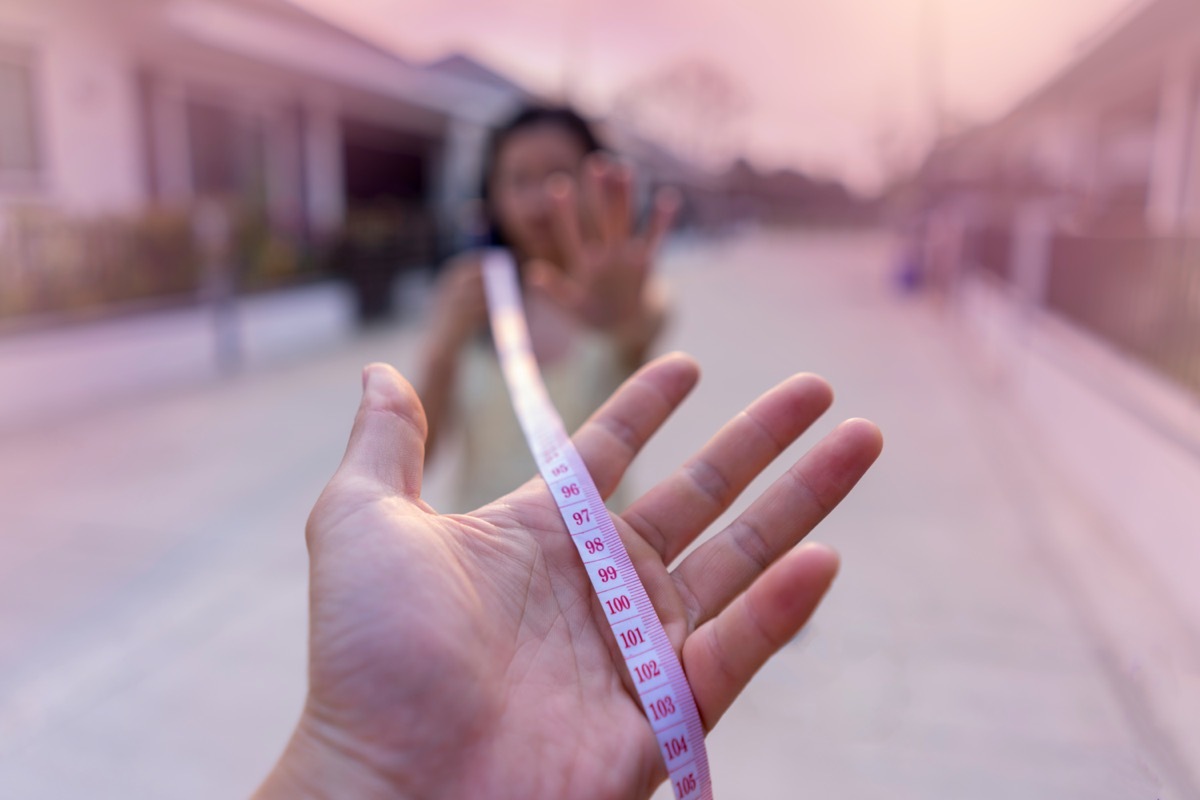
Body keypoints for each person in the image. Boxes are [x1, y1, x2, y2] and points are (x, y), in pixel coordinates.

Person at [254, 353, 883, 799]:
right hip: (500, 548)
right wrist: (360, 770)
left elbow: (634, 338)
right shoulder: (469, 297)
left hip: (594, 548)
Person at [417, 104, 679, 511]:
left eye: (559, 177)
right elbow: (419, 458)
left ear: (599, 183)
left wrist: (623, 318)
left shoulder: (628, 295)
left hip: (591, 558)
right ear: (492, 194)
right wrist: (440, 349)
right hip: (476, 556)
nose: (539, 201)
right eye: (518, 180)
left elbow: (640, 327)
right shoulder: (469, 295)